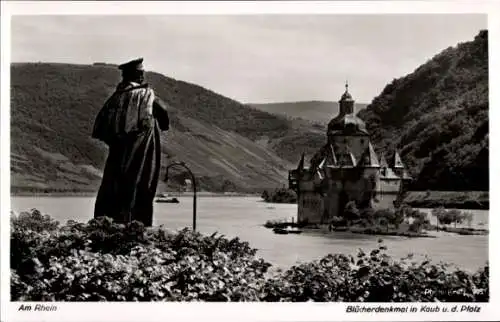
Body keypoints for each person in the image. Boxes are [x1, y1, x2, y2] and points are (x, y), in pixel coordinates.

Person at [91, 58, 170, 227]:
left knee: (114, 184)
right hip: (142, 150)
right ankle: (136, 223)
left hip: (118, 152)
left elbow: (102, 126)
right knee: (140, 183)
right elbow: (163, 112)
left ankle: (108, 221)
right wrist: (162, 124)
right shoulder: (144, 95)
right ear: (134, 75)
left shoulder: (116, 98)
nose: (142, 75)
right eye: (140, 73)